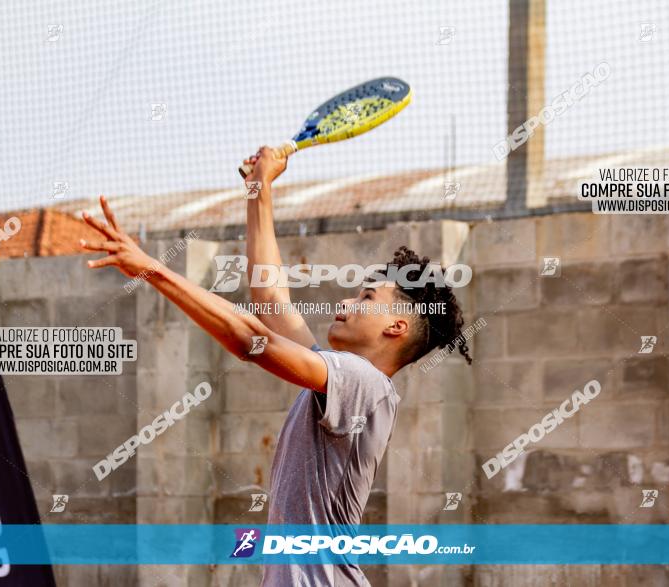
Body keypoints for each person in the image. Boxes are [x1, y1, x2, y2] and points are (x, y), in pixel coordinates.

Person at [80, 147, 472, 586]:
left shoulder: (365, 383)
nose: (344, 302)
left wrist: (152, 269)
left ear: (397, 327)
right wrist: (259, 190)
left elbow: (251, 341)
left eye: (365, 298)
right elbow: (270, 301)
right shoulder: (337, 379)